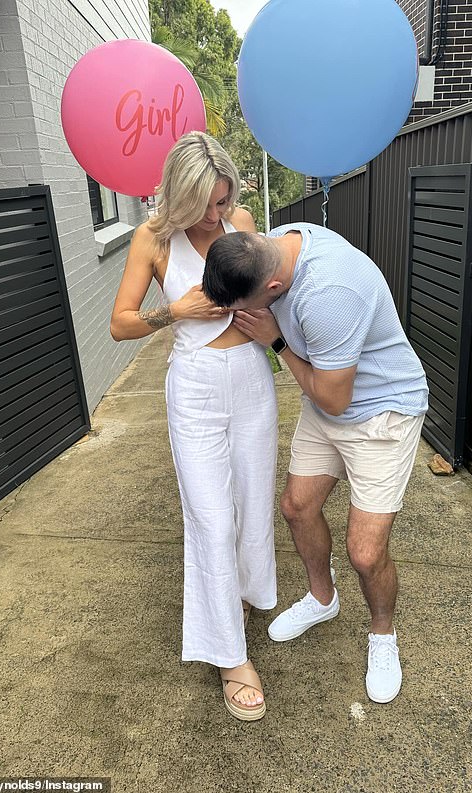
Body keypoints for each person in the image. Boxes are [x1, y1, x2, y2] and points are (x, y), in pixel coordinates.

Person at [202, 222, 429, 704]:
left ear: (273, 289)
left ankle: (383, 636)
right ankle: (322, 600)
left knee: (366, 553)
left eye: (243, 307)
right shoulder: (277, 242)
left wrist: (276, 342)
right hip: (328, 400)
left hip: (380, 412)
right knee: (297, 506)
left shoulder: (330, 292)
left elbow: (334, 399)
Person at [110, 132, 278, 721]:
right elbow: (120, 325)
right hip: (197, 388)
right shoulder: (152, 239)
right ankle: (231, 656)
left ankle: (247, 594)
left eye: (225, 201)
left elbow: (269, 288)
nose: (218, 215)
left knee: (254, 502)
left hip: (251, 379)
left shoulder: (242, 221)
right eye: (207, 205)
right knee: (210, 516)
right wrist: (172, 312)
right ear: (180, 198)